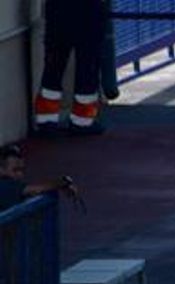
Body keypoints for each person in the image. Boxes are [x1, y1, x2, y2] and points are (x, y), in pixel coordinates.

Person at [33, 0, 110, 133]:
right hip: (88, 11)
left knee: (53, 65)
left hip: (58, 10)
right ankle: (82, 121)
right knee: (88, 66)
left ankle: (46, 120)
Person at [0, 144, 80, 212]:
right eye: (15, 170)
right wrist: (64, 182)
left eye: (22, 170)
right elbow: (36, 189)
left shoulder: (12, 185)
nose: (20, 174)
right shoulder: (4, 185)